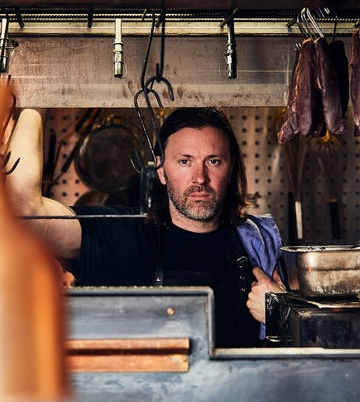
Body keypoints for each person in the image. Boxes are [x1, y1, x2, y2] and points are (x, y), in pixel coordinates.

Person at [6, 106, 286, 348]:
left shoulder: (258, 245)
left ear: (231, 167)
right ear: (162, 171)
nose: (200, 178)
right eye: (184, 161)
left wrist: (279, 311)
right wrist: (35, 104)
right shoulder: (121, 236)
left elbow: (309, 344)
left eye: (213, 161)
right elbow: (24, 211)